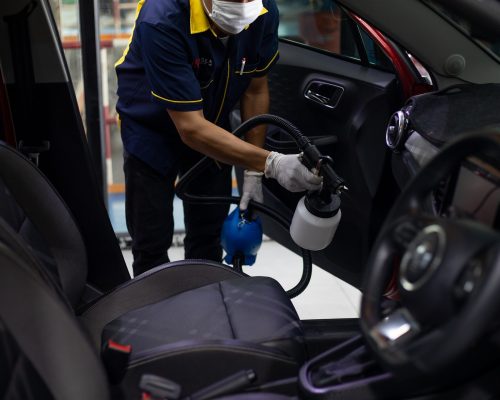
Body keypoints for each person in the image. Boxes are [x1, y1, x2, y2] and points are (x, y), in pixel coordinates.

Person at [115, 0, 322, 277]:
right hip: (150, 130)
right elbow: (190, 128)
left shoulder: (262, 12)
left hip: (213, 125)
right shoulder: (162, 17)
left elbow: (255, 88)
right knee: (151, 244)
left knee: (207, 237)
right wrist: (270, 163)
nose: (243, 4)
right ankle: (157, 312)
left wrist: (252, 172)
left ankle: (207, 305)